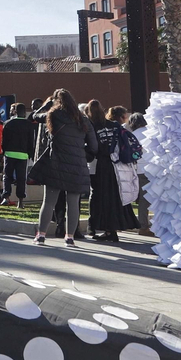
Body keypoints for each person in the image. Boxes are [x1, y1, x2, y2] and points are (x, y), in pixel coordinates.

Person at [32, 89, 96, 247]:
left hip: (56, 165)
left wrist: (46, 105)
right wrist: (82, 154)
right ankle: (70, 237)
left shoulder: (53, 114)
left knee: (49, 202)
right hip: (77, 166)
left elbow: (34, 117)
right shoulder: (83, 119)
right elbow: (94, 146)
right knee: (73, 202)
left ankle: (41, 236)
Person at [85, 100, 136, 242]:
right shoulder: (114, 125)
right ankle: (113, 229)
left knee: (101, 197)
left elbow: (92, 149)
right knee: (116, 196)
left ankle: (102, 228)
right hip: (118, 165)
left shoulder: (91, 127)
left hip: (101, 166)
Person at [0, 103, 36, 208]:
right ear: (24, 112)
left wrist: (4, 151)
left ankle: (6, 197)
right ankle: (20, 201)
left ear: (15, 111)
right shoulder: (29, 125)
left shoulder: (8, 123)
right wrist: (30, 153)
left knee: (7, 176)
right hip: (23, 155)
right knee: (21, 178)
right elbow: (31, 141)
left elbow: (4, 140)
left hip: (9, 153)